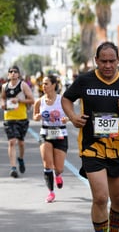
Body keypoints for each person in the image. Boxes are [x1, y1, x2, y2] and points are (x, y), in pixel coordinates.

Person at [61, 41, 119, 232]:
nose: (108, 66)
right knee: (100, 197)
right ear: (96, 61)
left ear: (118, 60)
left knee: (118, 200)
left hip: (118, 149)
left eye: (112, 61)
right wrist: (73, 117)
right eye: (103, 61)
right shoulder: (85, 80)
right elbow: (66, 98)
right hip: (92, 148)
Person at [33, 74, 69, 203]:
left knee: (58, 168)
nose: (43, 86)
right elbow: (35, 116)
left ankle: (58, 175)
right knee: (47, 164)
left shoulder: (62, 100)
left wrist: (66, 119)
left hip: (60, 132)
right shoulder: (39, 101)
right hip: (46, 133)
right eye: (42, 83)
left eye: (46, 83)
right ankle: (51, 192)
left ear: (54, 85)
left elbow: (70, 115)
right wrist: (37, 117)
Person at [1, 65, 35, 178]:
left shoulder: (23, 85)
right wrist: (2, 103)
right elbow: (2, 97)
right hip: (9, 118)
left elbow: (32, 99)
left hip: (22, 118)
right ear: (8, 74)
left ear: (19, 74)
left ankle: (20, 159)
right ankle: (13, 168)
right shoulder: (4, 86)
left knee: (21, 143)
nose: (13, 73)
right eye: (11, 72)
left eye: (15, 71)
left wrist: (19, 100)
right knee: (12, 142)